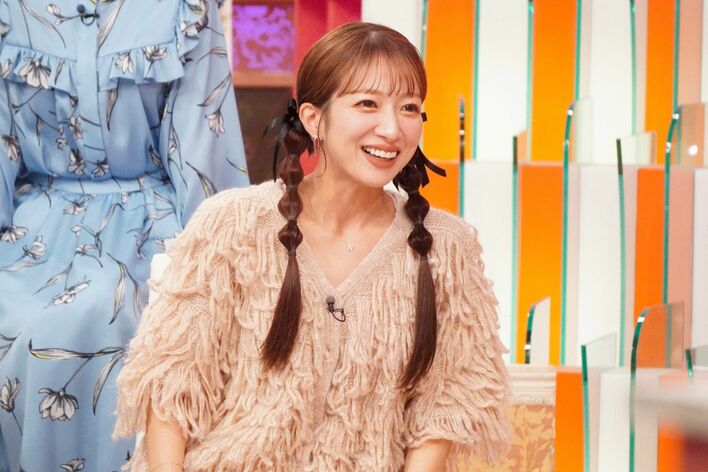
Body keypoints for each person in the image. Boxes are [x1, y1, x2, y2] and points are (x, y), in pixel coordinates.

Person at [114, 22, 510, 472]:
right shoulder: (232, 224)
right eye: (367, 104)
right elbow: (171, 387)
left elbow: (445, 408)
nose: (392, 129)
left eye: (409, 108)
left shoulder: (448, 248)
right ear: (313, 118)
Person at [0, 0, 249, 470]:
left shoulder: (182, 10)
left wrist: (229, 265)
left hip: (153, 226)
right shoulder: (11, 11)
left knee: (109, 316)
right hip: (33, 231)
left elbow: (204, 149)